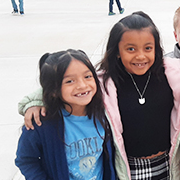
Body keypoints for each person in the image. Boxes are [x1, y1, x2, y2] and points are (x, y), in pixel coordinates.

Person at [18, 12, 180, 180]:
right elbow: (71, 78)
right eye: (130, 49)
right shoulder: (104, 78)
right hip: (129, 169)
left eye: (148, 48)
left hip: (168, 165)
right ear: (116, 51)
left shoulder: (174, 72)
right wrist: (35, 100)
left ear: (156, 49)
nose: (140, 56)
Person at [15, 49, 121, 179]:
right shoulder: (40, 123)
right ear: (53, 90)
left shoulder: (105, 112)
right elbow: (26, 159)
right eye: (70, 81)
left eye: (87, 76)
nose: (82, 85)